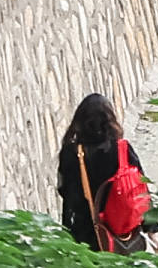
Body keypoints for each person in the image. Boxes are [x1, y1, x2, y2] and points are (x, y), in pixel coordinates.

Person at [57, 93, 150, 252]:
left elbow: (64, 190)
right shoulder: (122, 149)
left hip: (84, 231)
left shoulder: (71, 153)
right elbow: (141, 191)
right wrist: (152, 230)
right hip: (122, 233)